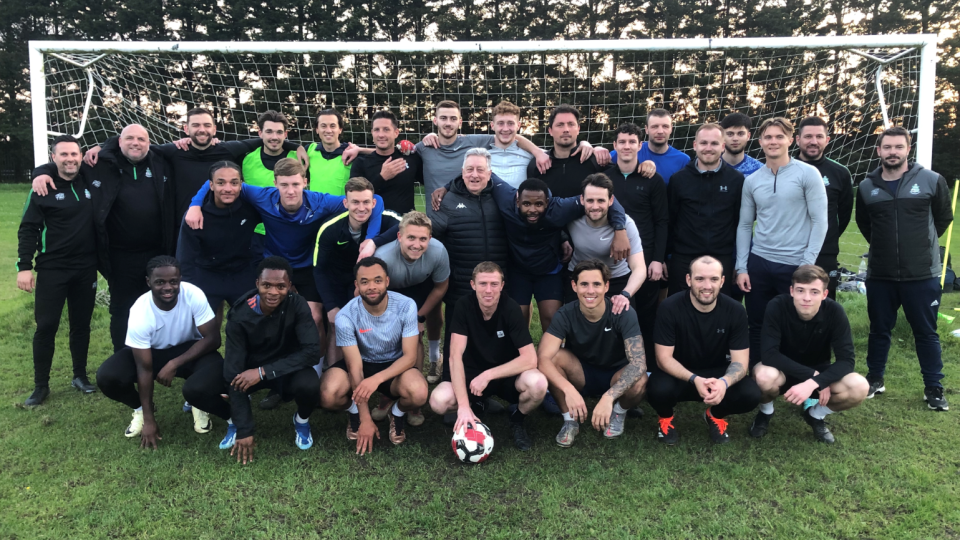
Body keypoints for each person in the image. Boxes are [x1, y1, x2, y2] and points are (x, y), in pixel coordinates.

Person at [184, 158, 386, 368]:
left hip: (307, 266)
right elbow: (218, 181)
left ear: (305, 182)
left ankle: (316, 370)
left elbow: (376, 200)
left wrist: (371, 240)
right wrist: (195, 205)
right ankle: (269, 368)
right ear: (275, 183)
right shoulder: (262, 196)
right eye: (284, 185)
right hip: (275, 267)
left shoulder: (320, 202)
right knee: (271, 319)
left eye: (296, 184)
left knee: (315, 317)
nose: (290, 191)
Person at [31, 124, 176, 352]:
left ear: (149, 143)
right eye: (129, 138)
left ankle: (159, 356)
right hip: (119, 255)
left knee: (161, 306)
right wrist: (41, 172)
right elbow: (67, 165)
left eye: (141, 139)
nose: (135, 143)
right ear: (119, 141)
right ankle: (123, 358)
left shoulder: (162, 162)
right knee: (121, 309)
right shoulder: (99, 164)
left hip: (158, 254)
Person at [181, 257, 322, 462]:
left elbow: (311, 352)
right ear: (257, 284)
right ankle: (233, 420)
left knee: (310, 385)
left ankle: (301, 420)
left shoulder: (298, 304)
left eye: (281, 286)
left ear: (290, 286)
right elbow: (233, 370)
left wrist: (262, 372)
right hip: (245, 370)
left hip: (282, 369)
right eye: (267, 285)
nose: (273, 292)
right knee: (194, 389)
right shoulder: (240, 314)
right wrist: (244, 428)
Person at [855, 126, 953, 410]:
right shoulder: (866, 186)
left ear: (908, 149)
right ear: (879, 151)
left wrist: (920, 247)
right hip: (880, 274)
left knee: (926, 331)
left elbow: (942, 218)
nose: (893, 152)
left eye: (899, 147)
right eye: (887, 147)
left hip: (921, 274)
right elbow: (866, 225)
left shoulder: (932, 180)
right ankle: (875, 379)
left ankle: (933, 387)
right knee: (879, 329)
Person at [82, 108, 307, 224]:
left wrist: (297, 146)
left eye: (206, 125)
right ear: (186, 129)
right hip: (183, 224)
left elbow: (268, 138)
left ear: (214, 129)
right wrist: (104, 146)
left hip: (223, 223)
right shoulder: (173, 151)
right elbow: (138, 145)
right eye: (196, 125)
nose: (202, 130)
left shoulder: (228, 149)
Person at [95, 256, 222, 449]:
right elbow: (144, 368)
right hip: (152, 353)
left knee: (213, 368)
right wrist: (149, 420)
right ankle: (139, 409)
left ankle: (198, 403)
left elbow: (213, 339)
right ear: (148, 282)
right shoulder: (140, 311)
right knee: (108, 376)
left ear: (180, 279)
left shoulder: (193, 294)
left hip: (189, 350)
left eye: (173, 281)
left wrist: (174, 363)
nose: (168, 287)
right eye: (160, 282)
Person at [18, 135, 102, 405]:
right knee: (46, 326)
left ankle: (80, 376)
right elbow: (28, 229)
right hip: (52, 268)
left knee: (81, 325)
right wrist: (24, 268)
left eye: (74, 154)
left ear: (81, 156)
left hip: (86, 268)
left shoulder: (89, 180)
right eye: (63, 155)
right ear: (53, 158)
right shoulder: (43, 187)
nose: (70, 159)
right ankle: (41, 385)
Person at [736, 117, 828, 366]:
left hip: (795, 265)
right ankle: (759, 382)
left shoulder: (808, 174)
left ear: (790, 140)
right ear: (760, 141)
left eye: (779, 136)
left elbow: (820, 222)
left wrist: (806, 265)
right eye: (768, 137)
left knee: (797, 325)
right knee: (757, 323)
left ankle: (802, 382)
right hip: (760, 264)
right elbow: (745, 225)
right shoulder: (752, 180)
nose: (773, 141)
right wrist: (742, 267)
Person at [429, 262, 547, 451]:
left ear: (502, 285)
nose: (488, 290)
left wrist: (488, 375)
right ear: (473, 285)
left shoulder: (511, 308)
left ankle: (517, 419)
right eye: (483, 284)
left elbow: (530, 359)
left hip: (505, 375)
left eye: (494, 284)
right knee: (439, 401)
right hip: (471, 375)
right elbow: (454, 357)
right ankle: (475, 405)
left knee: (538, 383)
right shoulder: (463, 306)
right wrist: (463, 406)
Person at [320, 258, 427, 454]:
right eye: (365, 281)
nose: (371, 287)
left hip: (395, 365)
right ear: (357, 285)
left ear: (387, 281)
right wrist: (365, 418)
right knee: (328, 395)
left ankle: (397, 412)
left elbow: (410, 357)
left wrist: (376, 380)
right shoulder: (345, 316)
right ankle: (353, 410)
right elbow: (355, 367)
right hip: (362, 362)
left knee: (419, 392)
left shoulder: (406, 305)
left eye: (377, 280)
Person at [751, 265, 869, 443]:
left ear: (824, 294)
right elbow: (769, 354)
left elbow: (846, 361)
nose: (806, 298)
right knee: (763, 376)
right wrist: (813, 376)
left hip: (819, 373)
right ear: (791, 291)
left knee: (859, 386)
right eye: (800, 290)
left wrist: (816, 381)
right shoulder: (777, 305)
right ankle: (766, 412)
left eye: (814, 292)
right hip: (781, 370)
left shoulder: (835, 312)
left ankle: (815, 415)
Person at [537, 260, 648, 447]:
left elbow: (639, 363)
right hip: (581, 374)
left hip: (615, 374)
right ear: (574, 286)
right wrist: (568, 389)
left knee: (640, 379)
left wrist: (609, 397)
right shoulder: (565, 313)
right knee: (554, 358)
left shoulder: (623, 312)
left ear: (606, 286)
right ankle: (569, 420)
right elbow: (543, 358)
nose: (590, 291)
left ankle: (618, 413)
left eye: (597, 284)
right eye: (584, 284)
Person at [650, 256, 760, 445]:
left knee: (751, 394)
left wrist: (724, 383)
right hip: (679, 373)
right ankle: (666, 418)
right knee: (656, 389)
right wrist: (695, 379)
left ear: (722, 281)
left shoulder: (735, 310)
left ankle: (715, 415)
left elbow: (741, 363)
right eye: (700, 279)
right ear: (688, 280)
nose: (707, 286)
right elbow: (663, 359)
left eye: (714, 279)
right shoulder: (670, 307)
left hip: (718, 374)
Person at [314, 177, 402, 363]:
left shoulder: (386, 219)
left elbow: (407, 225)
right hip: (337, 281)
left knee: (371, 324)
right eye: (355, 202)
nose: (361, 208)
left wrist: (374, 242)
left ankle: (375, 366)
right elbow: (319, 270)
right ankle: (334, 373)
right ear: (345, 202)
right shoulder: (330, 228)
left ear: (374, 202)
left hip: (368, 282)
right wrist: (330, 306)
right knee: (337, 324)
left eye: (366, 202)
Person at [604, 123, 667, 359]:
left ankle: (647, 365)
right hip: (613, 256)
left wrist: (658, 260)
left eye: (632, 142)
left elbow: (662, 221)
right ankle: (617, 360)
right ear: (615, 146)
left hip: (646, 255)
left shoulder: (653, 179)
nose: (627, 146)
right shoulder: (604, 178)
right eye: (622, 142)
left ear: (640, 146)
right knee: (617, 309)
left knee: (647, 313)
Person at [177, 161, 262, 326]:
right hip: (207, 274)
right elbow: (185, 257)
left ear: (241, 185)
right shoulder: (195, 216)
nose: (228, 188)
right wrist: (187, 289)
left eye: (234, 183)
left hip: (242, 273)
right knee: (201, 331)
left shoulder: (251, 208)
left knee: (252, 327)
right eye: (221, 183)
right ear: (211, 185)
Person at [666, 123, 745, 299]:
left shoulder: (736, 180)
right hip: (684, 258)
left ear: (723, 147)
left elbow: (740, 223)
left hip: (721, 258)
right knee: (680, 310)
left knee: (719, 312)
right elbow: (669, 220)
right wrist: (665, 257)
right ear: (695, 145)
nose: (708, 148)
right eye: (703, 143)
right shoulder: (679, 180)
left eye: (714, 143)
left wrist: (737, 264)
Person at [374, 211, 450, 386]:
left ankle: (433, 360)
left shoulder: (438, 251)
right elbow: (374, 294)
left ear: (430, 238)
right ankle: (389, 377)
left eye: (423, 239)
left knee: (426, 323)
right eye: (411, 238)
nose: (417, 245)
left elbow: (441, 287)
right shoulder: (383, 258)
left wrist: (418, 318)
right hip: (390, 290)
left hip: (423, 284)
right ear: (399, 236)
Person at [526, 104, 653, 198]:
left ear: (578, 129)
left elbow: (624, 171)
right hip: (549, 232)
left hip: (586, 231)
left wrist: (645, 164)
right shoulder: (537, 165)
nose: (566, 129)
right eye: (560, 125)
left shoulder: (595, 160)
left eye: (571, 124)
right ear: (550, 131)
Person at [795, 116, 854, 299]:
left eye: (819, 137)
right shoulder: (784, 169)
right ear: (797, 139)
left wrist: (827, 237)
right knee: (790, 302)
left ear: (827, 140)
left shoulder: (840, 173)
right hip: (789, 250)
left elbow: (843, 214)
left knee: (824, 304)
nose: (814, 142)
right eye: (808, 137)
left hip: (825, 252)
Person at [566, 173, 647, 305]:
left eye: (601, 200)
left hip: (616, 279)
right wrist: (563, 238)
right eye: (590, 200)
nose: (595, 206)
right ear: (582, 200)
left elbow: (639, 268)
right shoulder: (571, 219)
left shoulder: (627, 224)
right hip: (580, 278)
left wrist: (625, 294)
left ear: (611, 200)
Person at [348, 110, 422, 214]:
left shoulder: (410, 157)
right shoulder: (361, 163)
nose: (381, 134)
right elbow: (354, 195)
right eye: (377, 130)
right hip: (373, 224)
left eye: (386, 129)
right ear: (372, 133)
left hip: (404, 225)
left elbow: (429, 180)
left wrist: (431, 137)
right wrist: (382, 177)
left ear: (396, 133)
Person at [242, 110, 299, 237]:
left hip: (292, 229)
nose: (274, 137)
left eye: (279, 132)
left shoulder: (300, 158)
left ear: (285, 134)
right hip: (256, 232)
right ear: (260, 133)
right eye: (269, 132)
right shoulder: (246, 159)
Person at [611, 108, 690, 185]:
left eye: (665, 126)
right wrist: (599, 150)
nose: (660, 131)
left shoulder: (683, 160)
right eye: (655, 126)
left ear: (671, 129)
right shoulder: (631, 150)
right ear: (646, 129)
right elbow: (604, 158)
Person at [305, 108, 365, 195]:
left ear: (340, 129)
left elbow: (384, 153)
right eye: (323, 126)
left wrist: (361, 150)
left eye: (333, 126)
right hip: (316, 208)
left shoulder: (351, 153)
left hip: (343, 208)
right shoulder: (309, 150)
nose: (328, 130)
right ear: (317, 129)